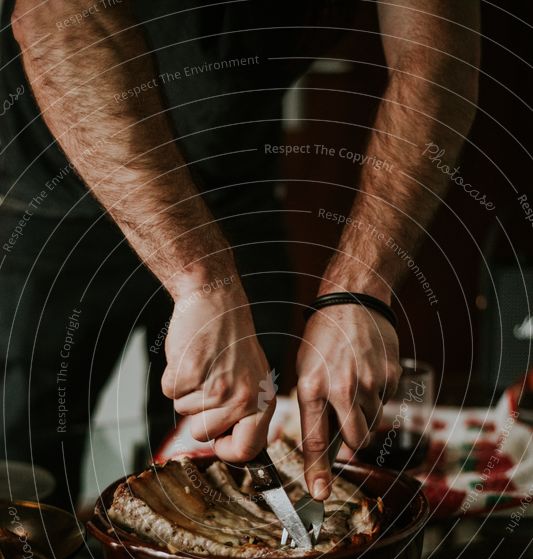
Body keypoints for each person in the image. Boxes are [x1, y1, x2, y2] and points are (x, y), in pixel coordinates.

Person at [1, 0, 479, 509]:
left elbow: (436, 65)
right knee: (22, 458)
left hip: (238, 194)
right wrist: (200, 280)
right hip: (47, 200)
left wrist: (361, 291)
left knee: (239, 446)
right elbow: (57, 17)